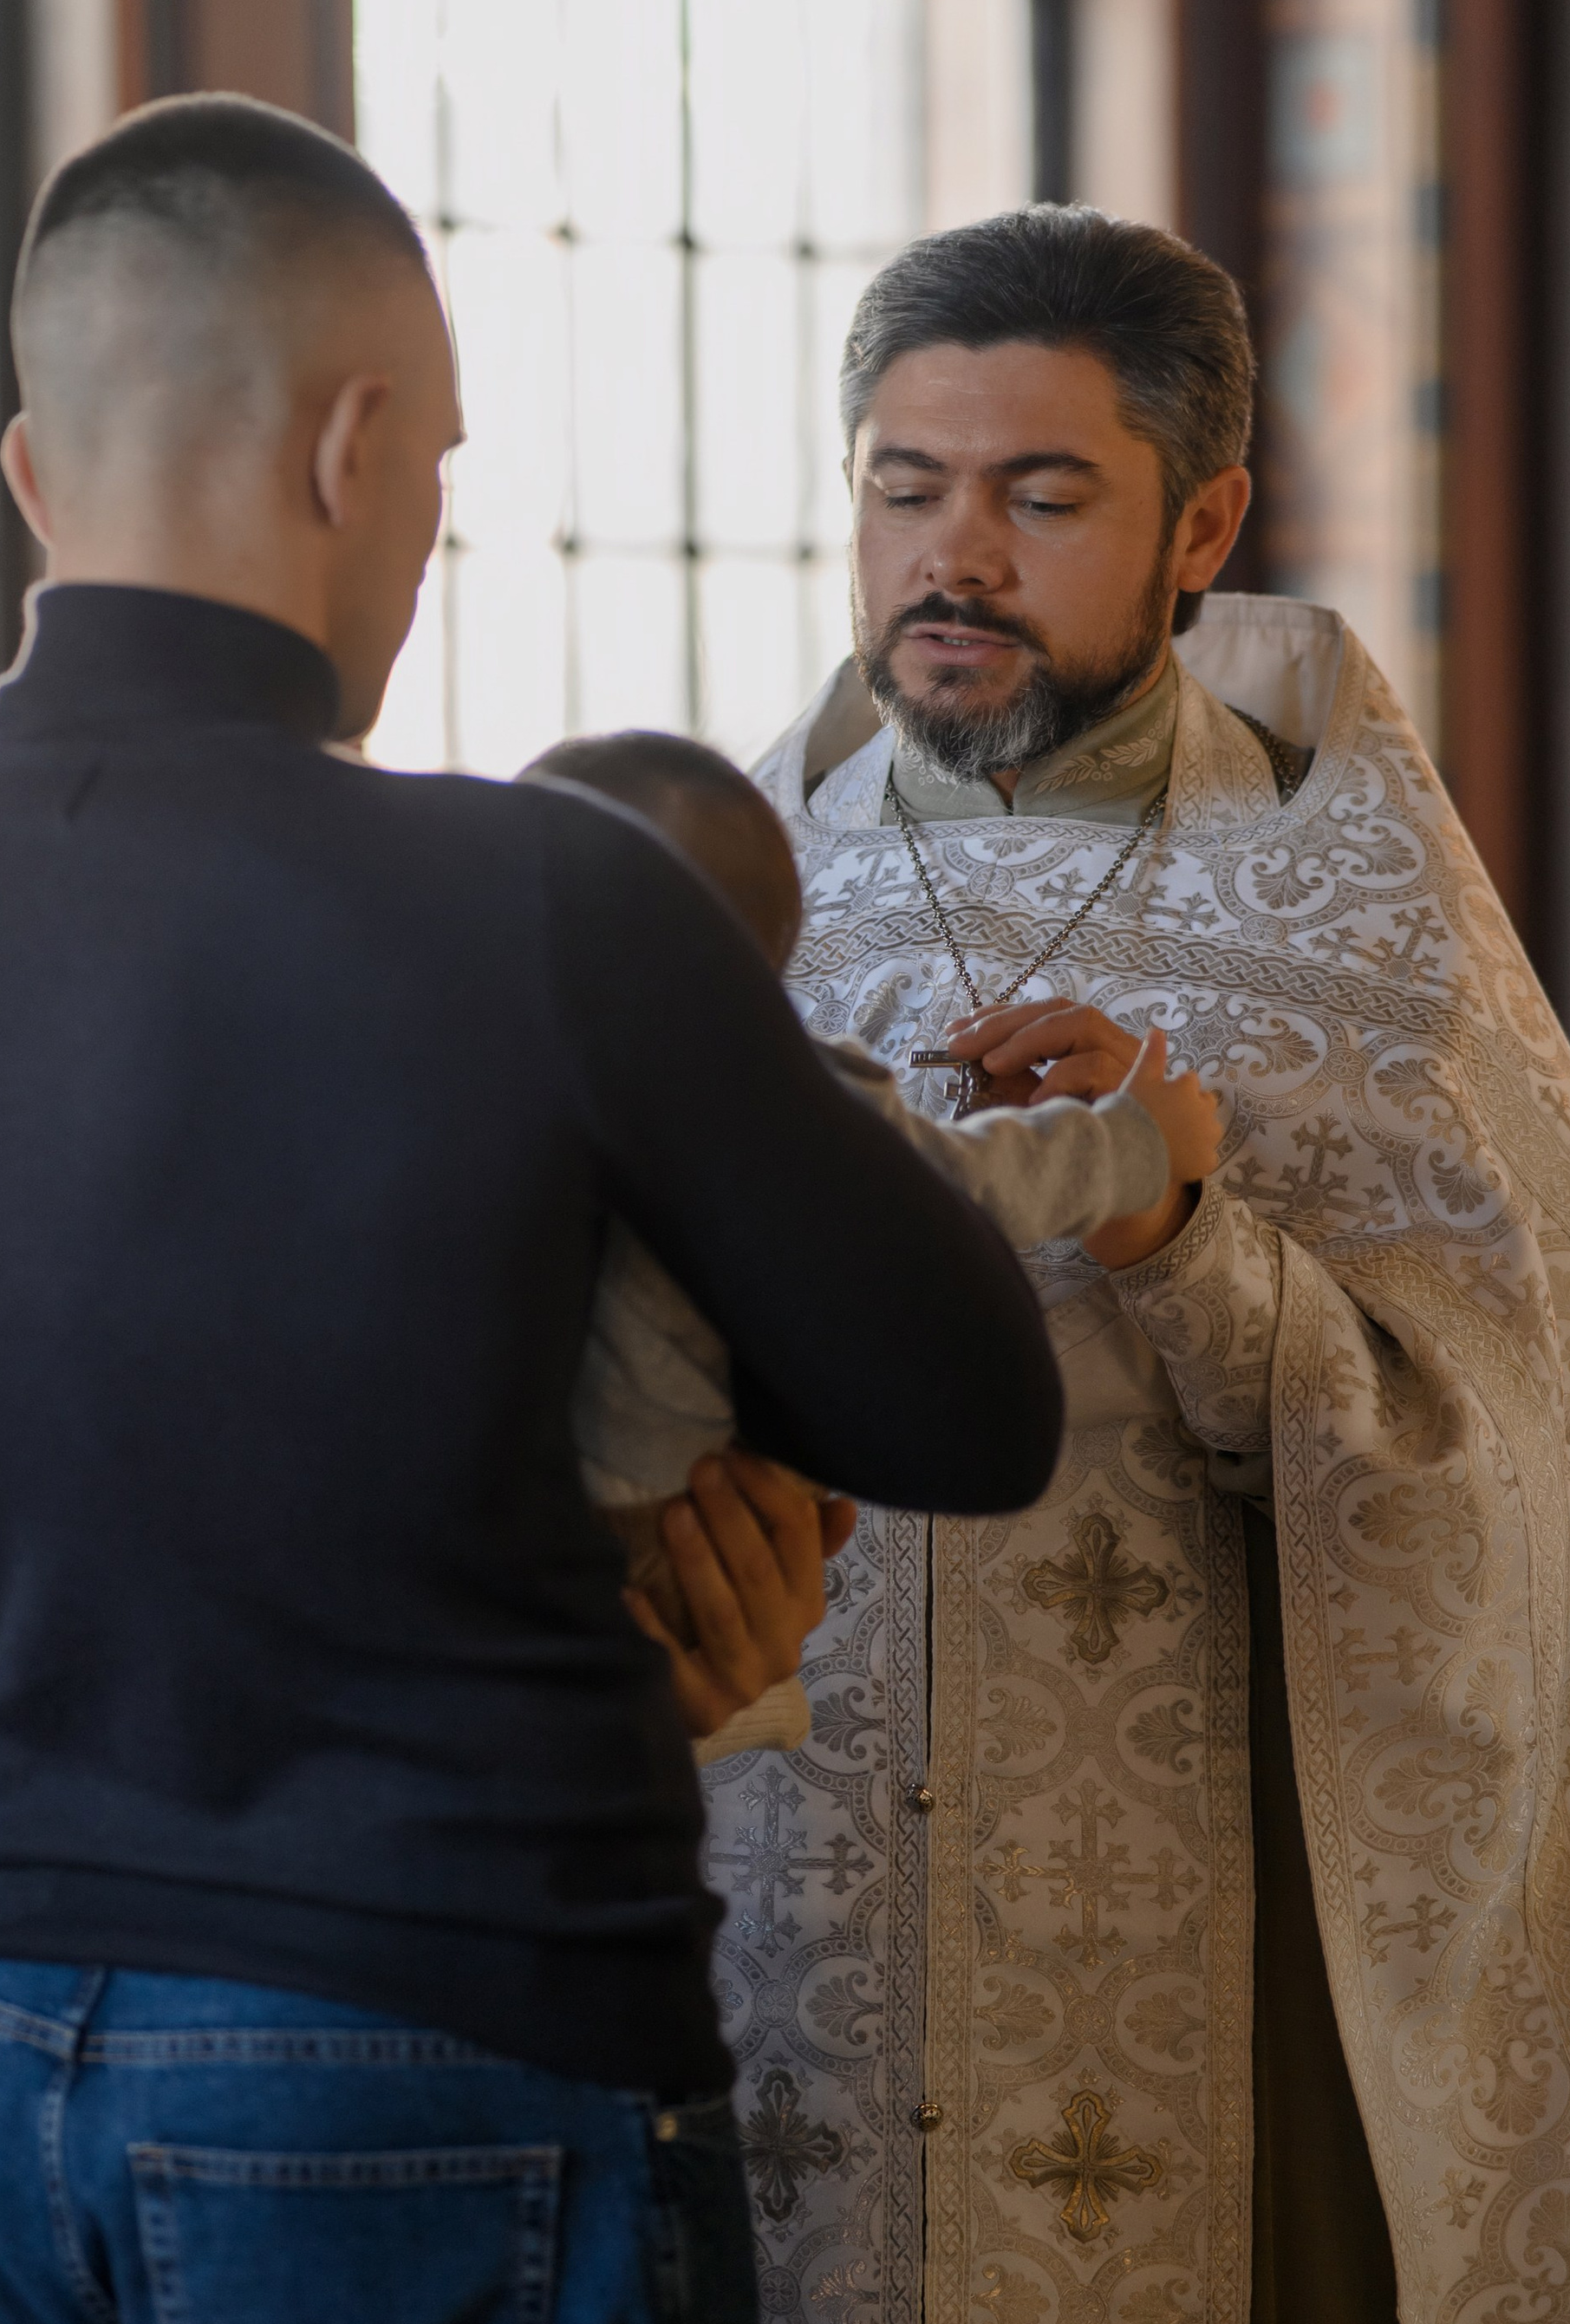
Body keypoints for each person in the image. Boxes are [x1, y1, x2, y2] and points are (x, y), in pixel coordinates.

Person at [0, 94, 1072, 2324]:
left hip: (22, 2067)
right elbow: (964, 1400)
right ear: (356, 443)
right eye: (434, 456)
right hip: (444, 2033)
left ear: (40, 464)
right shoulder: (538, 894)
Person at [718, 203, 1570, 2324]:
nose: (949, 552)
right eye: (902, 481)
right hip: (786, 1926)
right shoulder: (736, 890)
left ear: (1197, 526)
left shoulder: (1343, 921)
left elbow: (1536, 1463)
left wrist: (1182, 1238)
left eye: (1036, 495)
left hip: (1197, 1941)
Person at [524, 727, 1221, 1761]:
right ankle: (740, 1696)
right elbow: (960, 1186)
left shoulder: (495, 1081)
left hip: (526, 1488)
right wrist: (1135, 1140)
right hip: (670, 1496)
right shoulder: (777, 1093)